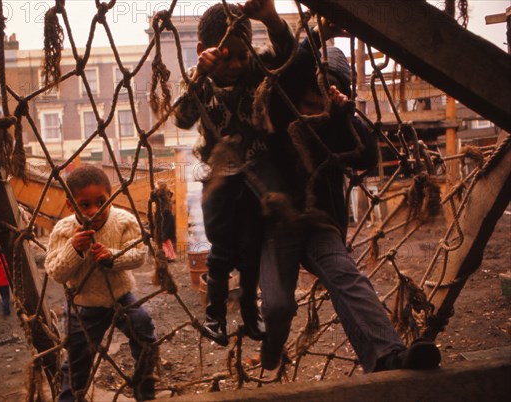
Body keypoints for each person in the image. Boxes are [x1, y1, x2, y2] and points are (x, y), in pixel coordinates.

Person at [258, 37, 441, 372]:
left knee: (347, 276)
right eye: (312, 96)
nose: (317, 106)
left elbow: (367, 156)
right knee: (277, 306)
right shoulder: (281, 110)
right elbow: (286, 68)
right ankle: (272, 347)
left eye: (327, 97)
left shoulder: (337, 123)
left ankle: (388, 355)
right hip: (276, 227)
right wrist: (315, 35)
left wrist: (341, 115)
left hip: (318, 225)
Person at [173, 0, 295, 346]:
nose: (235, 64)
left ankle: (249, 310)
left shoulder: (255, 70)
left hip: (255, 173)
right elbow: (181, 117)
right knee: (221, 249)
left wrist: (270, 18)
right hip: (219, 179)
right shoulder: (202, 83)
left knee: (252, 245)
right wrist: (199, 75)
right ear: (204, 52)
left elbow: (286, 52)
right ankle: (214, 316)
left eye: (242, 56)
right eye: (225, 56)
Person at [45, 165, 157, 401]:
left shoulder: (123, 221)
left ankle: (144, 390)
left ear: (111, 197)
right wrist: (73, 248)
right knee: (77, 359)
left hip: (120, 296)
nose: (94, 211)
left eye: (101, 202)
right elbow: (55, 272)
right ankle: (71, 397)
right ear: (70, 205)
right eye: (85, 205)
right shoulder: (64, 230)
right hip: (83, 304)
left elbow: (139, 255)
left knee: (144, 329)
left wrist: (112, 257)